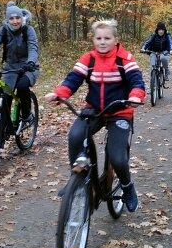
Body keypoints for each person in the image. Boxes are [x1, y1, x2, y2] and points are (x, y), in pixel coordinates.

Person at [45, 19, 145, 212]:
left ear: (116, 39)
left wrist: (135, 96)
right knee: (75, 135)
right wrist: (60, 94)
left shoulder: (125, 59)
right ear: (93, 40)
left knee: (117, 157)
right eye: (98, 38)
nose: (102, 42)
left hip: (119, 112)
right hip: (94, 110)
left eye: (107, 38)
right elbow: (73, 79)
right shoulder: (88, 59)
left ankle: (127, 187)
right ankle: (78, 179)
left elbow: (137, 81)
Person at [140, 21, 172, 86]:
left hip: (164, 52)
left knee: (163, 58)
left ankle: (166, 71)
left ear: (164, 30)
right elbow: (148, 42)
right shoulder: (154, 35)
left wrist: (171, 49)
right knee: (152, 68)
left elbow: (170, 42)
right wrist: (143, 48)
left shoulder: (167, 35)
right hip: (154, 52)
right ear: (157, 30)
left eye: (162, 30)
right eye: (159, 30)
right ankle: (151, 86)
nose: (161, 31)